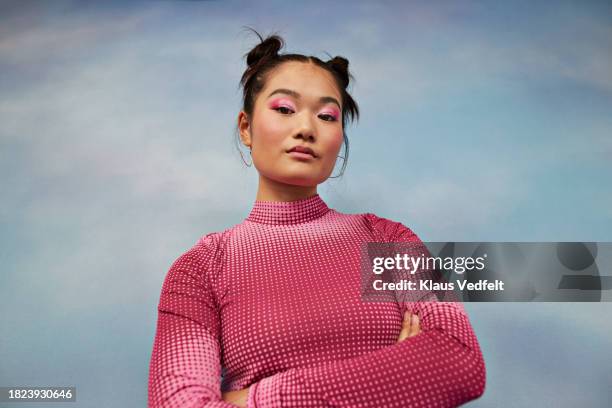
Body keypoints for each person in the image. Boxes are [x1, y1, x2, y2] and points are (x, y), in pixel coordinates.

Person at [148, 28, 486, 407]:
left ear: (340, 135)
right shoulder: (201, 269)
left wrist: (250, 399)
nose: (306, 129)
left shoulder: (387, 239)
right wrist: (395, 379)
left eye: (327, 116)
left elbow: (459, 360)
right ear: (246, 127)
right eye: (284, 110)